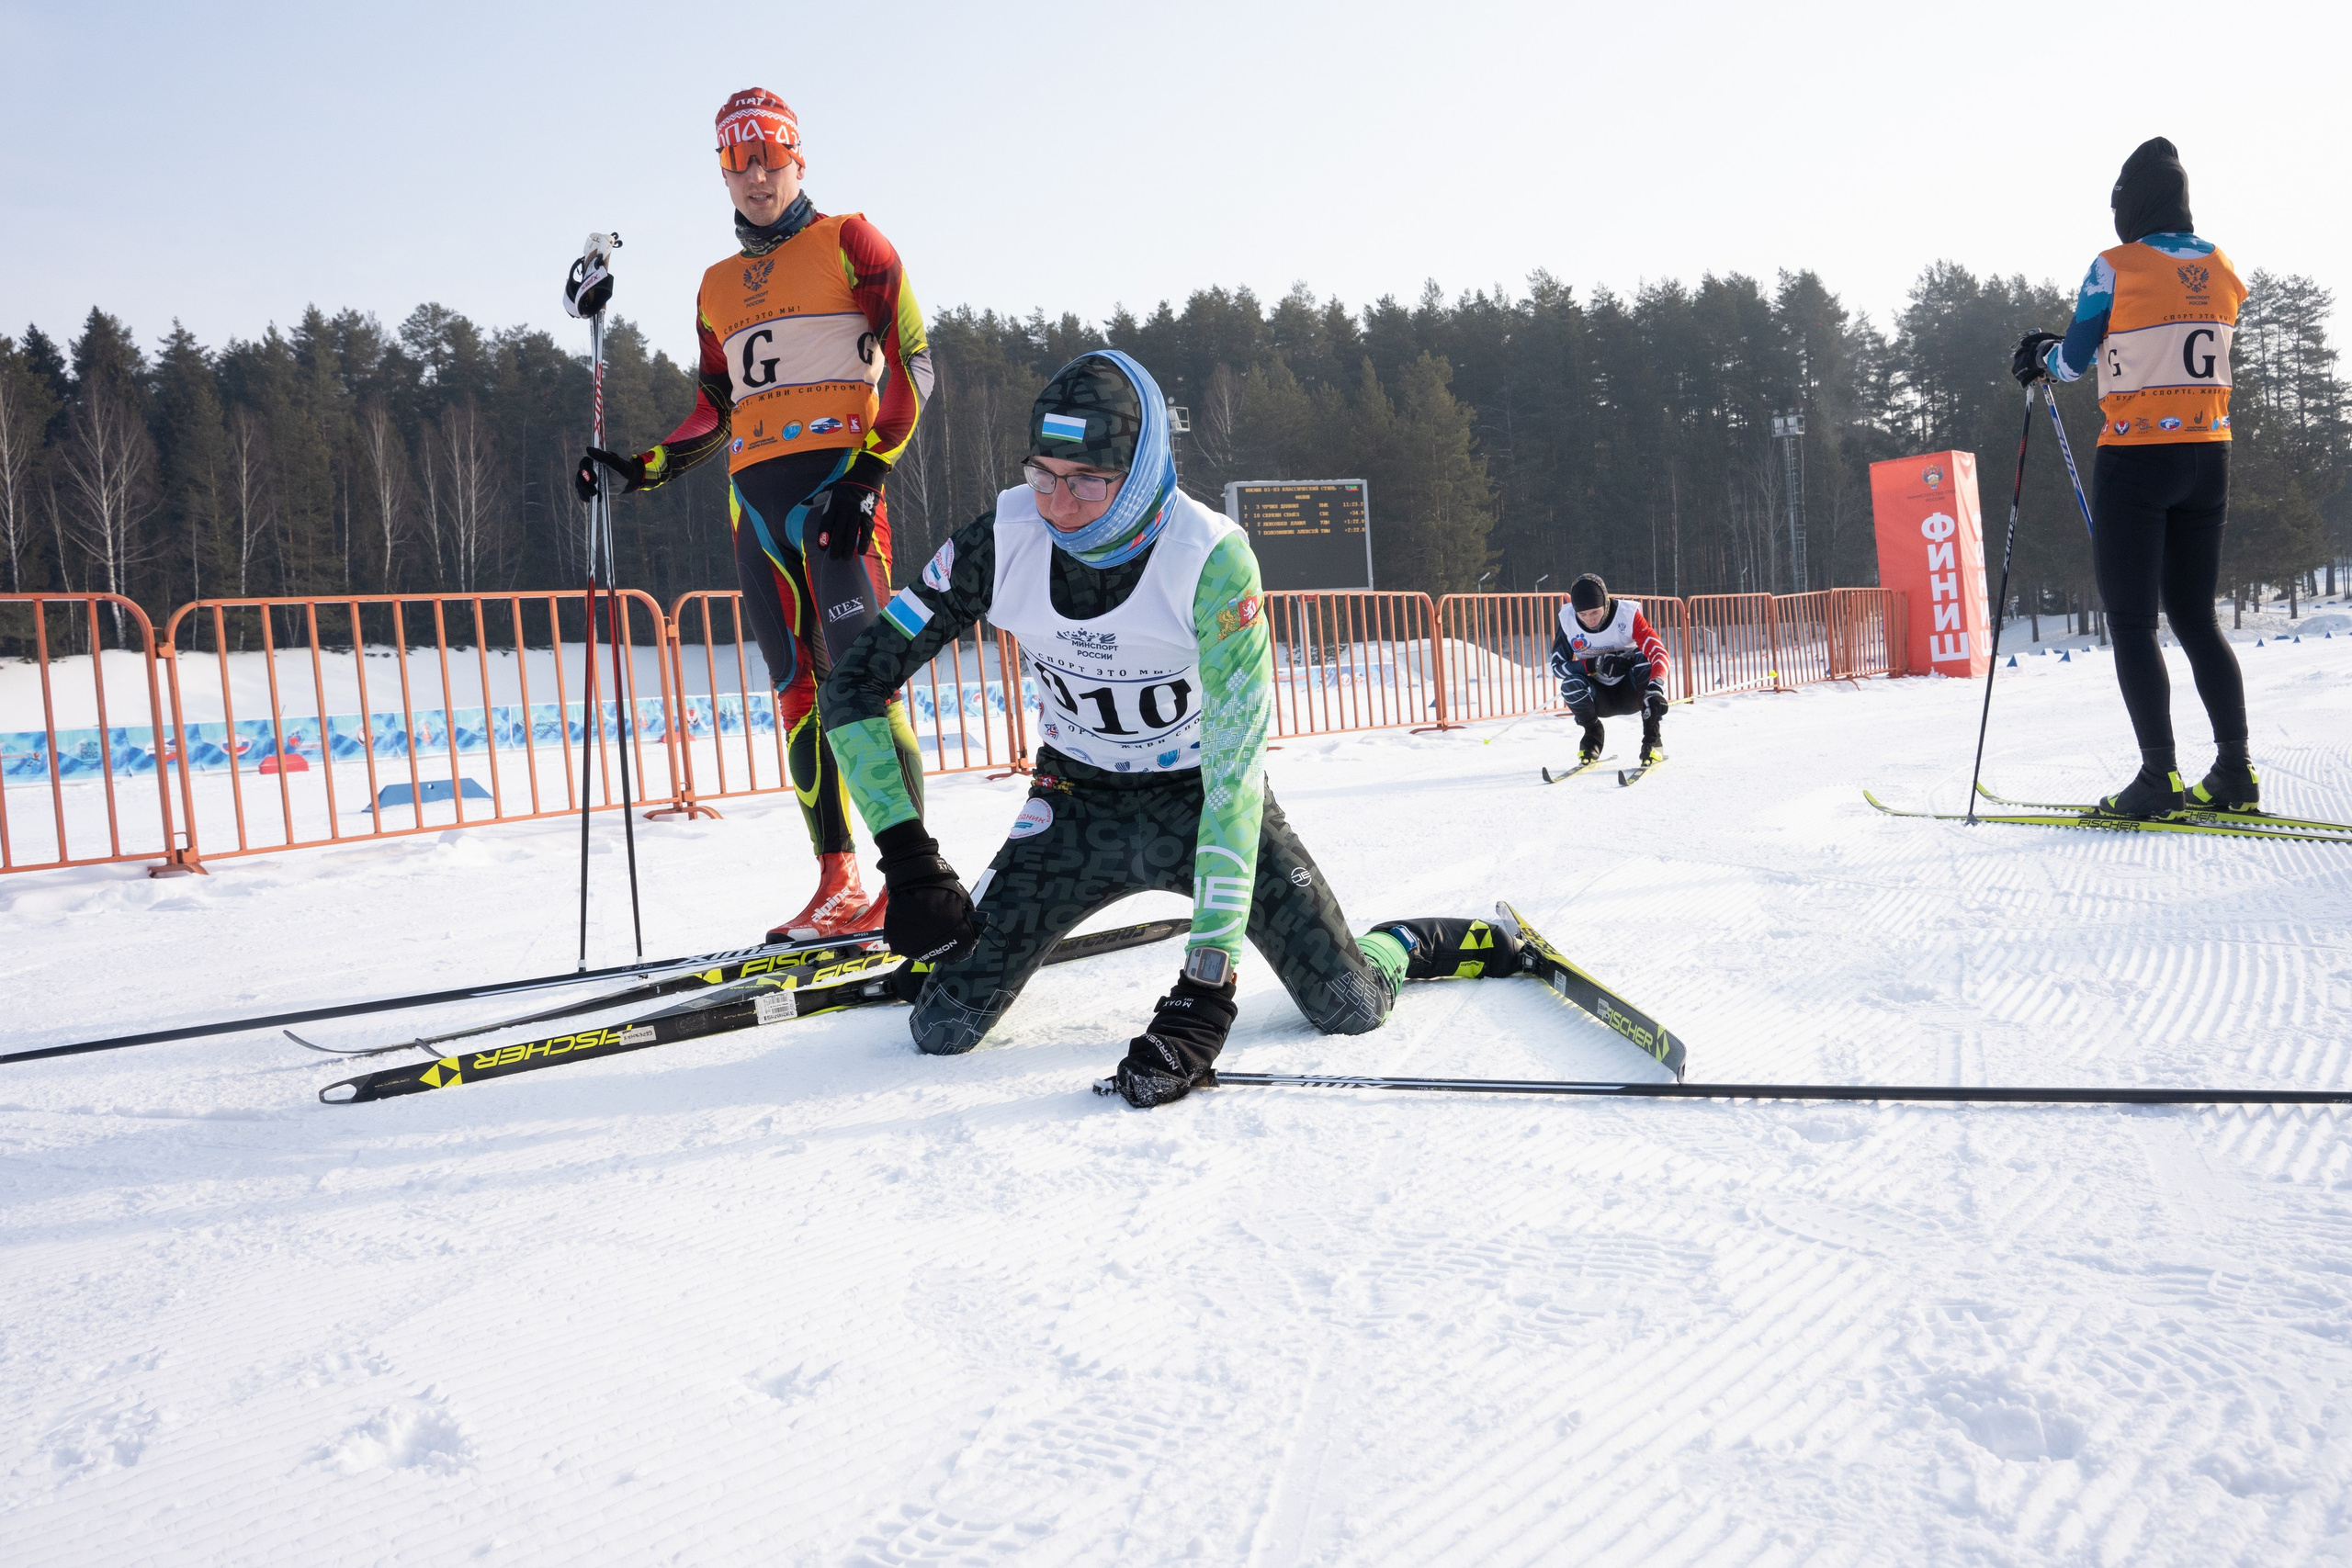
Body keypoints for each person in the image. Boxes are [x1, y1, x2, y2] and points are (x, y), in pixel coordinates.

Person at [816, 350, 1521, 1107]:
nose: (1059, 505)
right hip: (1076, 801)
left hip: (1200, 796)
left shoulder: (1210, 558)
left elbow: (1234, 772)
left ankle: (1406, 941)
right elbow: (853, 684)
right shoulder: (1000, 537)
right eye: (1043, 474)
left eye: (1087, 481)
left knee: (1351, 1004)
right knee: (941, 1029)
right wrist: (910, 862)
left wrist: (1206, 989)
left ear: (1142, 470)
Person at [575, 87, 933, 938]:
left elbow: (916, 364)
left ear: (797, 159)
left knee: (865, 683)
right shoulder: (716, 287)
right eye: (738, 162)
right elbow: (713, 409)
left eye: (770, 157)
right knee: (796, 691)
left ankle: (913, 877)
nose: (757, 176)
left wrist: (867, 476)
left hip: (838, 494)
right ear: (723, 172)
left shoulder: (851, 240)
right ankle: (836, 879)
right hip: (756, 511)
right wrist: (638, 468)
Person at [2011, 135, 2254, 819]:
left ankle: (2158, 777)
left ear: (2132, 203)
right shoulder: (2222, 264)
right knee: (2197, 618)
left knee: (2132, 620)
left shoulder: (2114, 267)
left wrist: (2039, 355)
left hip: (2138, 456)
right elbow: (2172, 336)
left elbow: (2074, 360)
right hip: (2210, 454)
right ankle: (2234, 771)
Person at [1548, 574, 1668, 765]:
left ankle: (1652, 737)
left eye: (1595, 612)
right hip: (1599, 697)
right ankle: (1593, 734)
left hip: (1631, 692)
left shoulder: (1627, 615)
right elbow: (1557, 667)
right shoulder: (1568, 620)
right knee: (1570, 684)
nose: (1590, 620)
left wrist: (1656, 687)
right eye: (1582, 615)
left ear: (1605, 601)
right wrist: (1594, 664)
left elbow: (1658, 652)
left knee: (1644, 658)